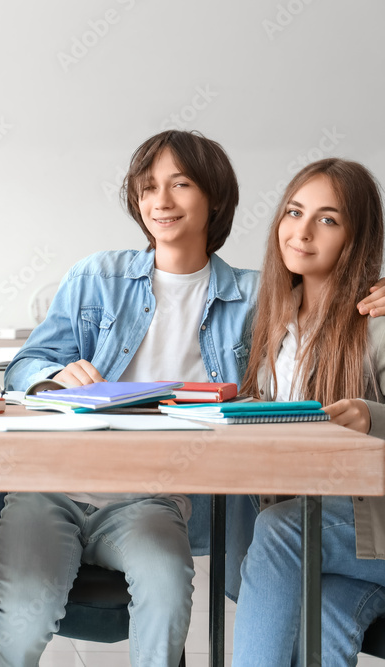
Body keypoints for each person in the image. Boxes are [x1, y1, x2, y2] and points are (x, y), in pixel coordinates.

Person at [0, 130, 253, 667]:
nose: (161, 201)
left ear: (215, 197)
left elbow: (333, 300)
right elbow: (21, 369)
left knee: (167, 591)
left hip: (151, 498)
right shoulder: (96, 277)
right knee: (27, 616)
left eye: (180, 184)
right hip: (50, 486)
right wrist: (54, 376)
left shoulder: (255, 297)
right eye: (148, 186)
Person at [232, 158, 385, 666]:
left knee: (283, 530)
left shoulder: (378, 324)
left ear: (356, 237)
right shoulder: (268, 324)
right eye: (295, 211)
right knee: (325, 621)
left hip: (370, 526)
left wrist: (372, 416)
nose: (302, 231)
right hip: (333, 539)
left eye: (328, 219)